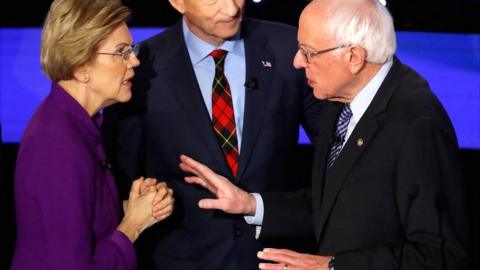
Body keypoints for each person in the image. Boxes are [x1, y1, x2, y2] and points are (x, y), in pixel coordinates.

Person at [178, 0, 471, 269]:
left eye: (308, 52)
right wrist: (250, 204)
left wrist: (331, 267)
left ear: (354, 57)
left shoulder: (417, 123)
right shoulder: (337, 101)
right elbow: (331, 204)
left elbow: (440, 255)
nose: (296, 62)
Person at [102, 0, 324, 269]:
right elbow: (121, 178)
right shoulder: (140, 68)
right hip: (182, 260)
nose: (232, 9)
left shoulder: (290, 48)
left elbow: (340, 157)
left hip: (278, 258)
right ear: (177, 2)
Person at [12, 0, 174, 269]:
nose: (134, 61)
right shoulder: (58, 145)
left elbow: (79, 222)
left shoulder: (74, 124)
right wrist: (132, 224)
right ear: (80, 67)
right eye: (121, 52)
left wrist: (132, 207)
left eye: (130, 50)